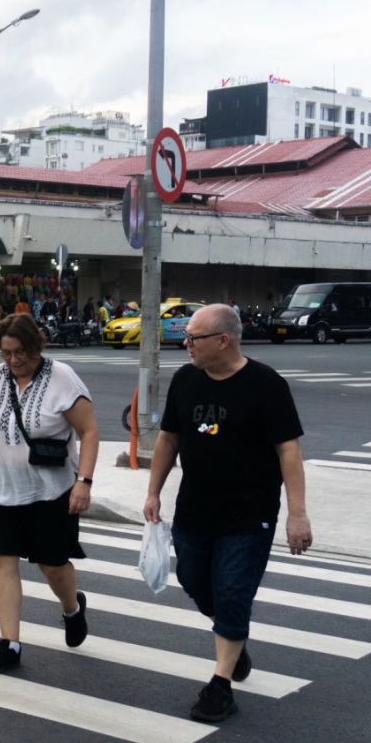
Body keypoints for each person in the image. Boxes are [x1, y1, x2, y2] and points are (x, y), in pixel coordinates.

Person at [143, 304, 312, 723]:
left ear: (223, 340)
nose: (186, 345)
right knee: (197, 582)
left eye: (193, 338)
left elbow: (288, 449)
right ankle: (232, 636)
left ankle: (220, 686)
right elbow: (169, 439)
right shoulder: (185, 380)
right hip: (194, 511)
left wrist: (297, 514)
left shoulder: (266, 385)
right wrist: (153, 492)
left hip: (248, 516)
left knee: (234, 592)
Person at [0, 313, 99, 674]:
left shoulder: (62, 378)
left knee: (52, 565)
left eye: (20, 352)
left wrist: (84, 481)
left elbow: (89, 431)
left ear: (36, 346)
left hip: (51, 491)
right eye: (5, 352)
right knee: (2, 561)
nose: (12, 360)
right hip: (0, 489)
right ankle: (9, 643)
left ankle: (72, 607)